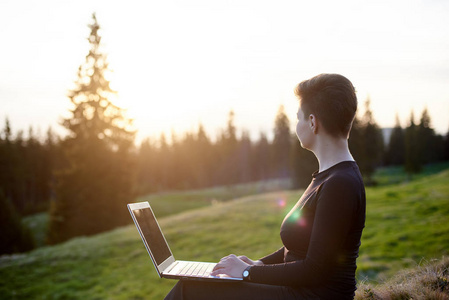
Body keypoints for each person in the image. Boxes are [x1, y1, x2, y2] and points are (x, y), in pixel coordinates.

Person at [165, 73, 366, 300]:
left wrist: (247, 272)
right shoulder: (329, 177)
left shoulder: (340, 183)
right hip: (300, 291)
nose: (296, 126)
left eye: (298, 118)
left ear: (312, 122)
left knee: (188, 291)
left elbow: (315, 270)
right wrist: (258, 264)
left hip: (312, 296)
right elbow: (303, 248)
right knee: (194, 285)